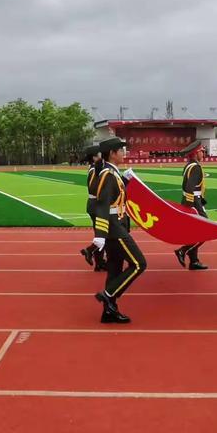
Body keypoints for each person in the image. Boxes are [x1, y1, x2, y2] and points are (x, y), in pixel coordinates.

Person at [93, 137, 147, 323]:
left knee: (115, 269)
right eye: (121, 151)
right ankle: (108, 295)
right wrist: (100, 234)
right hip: (114, 229)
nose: (124, 154)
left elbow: (117, 196)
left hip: (118, 226)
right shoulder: (107, 174)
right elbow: (102, 204)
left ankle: (109, 311)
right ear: (112, 153)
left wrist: (126, 179)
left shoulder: (113, 173)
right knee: (139, 264)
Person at [174, 140, 209, 270]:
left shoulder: (189, 165)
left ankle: (194, 261)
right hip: (193, 204)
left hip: (191, 203)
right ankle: (182, 251)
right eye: (202, 151)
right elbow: (191, 189)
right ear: (196, 152)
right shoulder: (195, 167)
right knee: (206, 230)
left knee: (195, 233)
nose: (204, 153)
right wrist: (196, 209)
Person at [80, 145, 107, 271]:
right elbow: (93, 188)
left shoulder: (95, 169)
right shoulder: (93, 170)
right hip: (96, 205)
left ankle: (99, 262)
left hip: (95, 205)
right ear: (94, 157)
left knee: (101, 233)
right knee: (103, 233)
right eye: (99, 155)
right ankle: (90, 252)